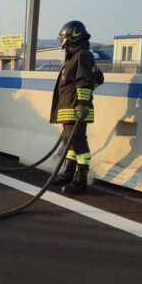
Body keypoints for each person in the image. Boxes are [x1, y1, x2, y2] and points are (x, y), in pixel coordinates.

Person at [50, 20, 99, 194]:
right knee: (68, 142)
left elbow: (85, 82)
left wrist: (82, 104)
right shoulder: (76, 56)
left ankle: (80, 180)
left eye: (66, 41)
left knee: (78, 144)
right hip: (68, 108)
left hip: (75, 109)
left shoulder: (83, 56)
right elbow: (98, 78)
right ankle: (67, 174)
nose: (65, 45)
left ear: (73, 38)